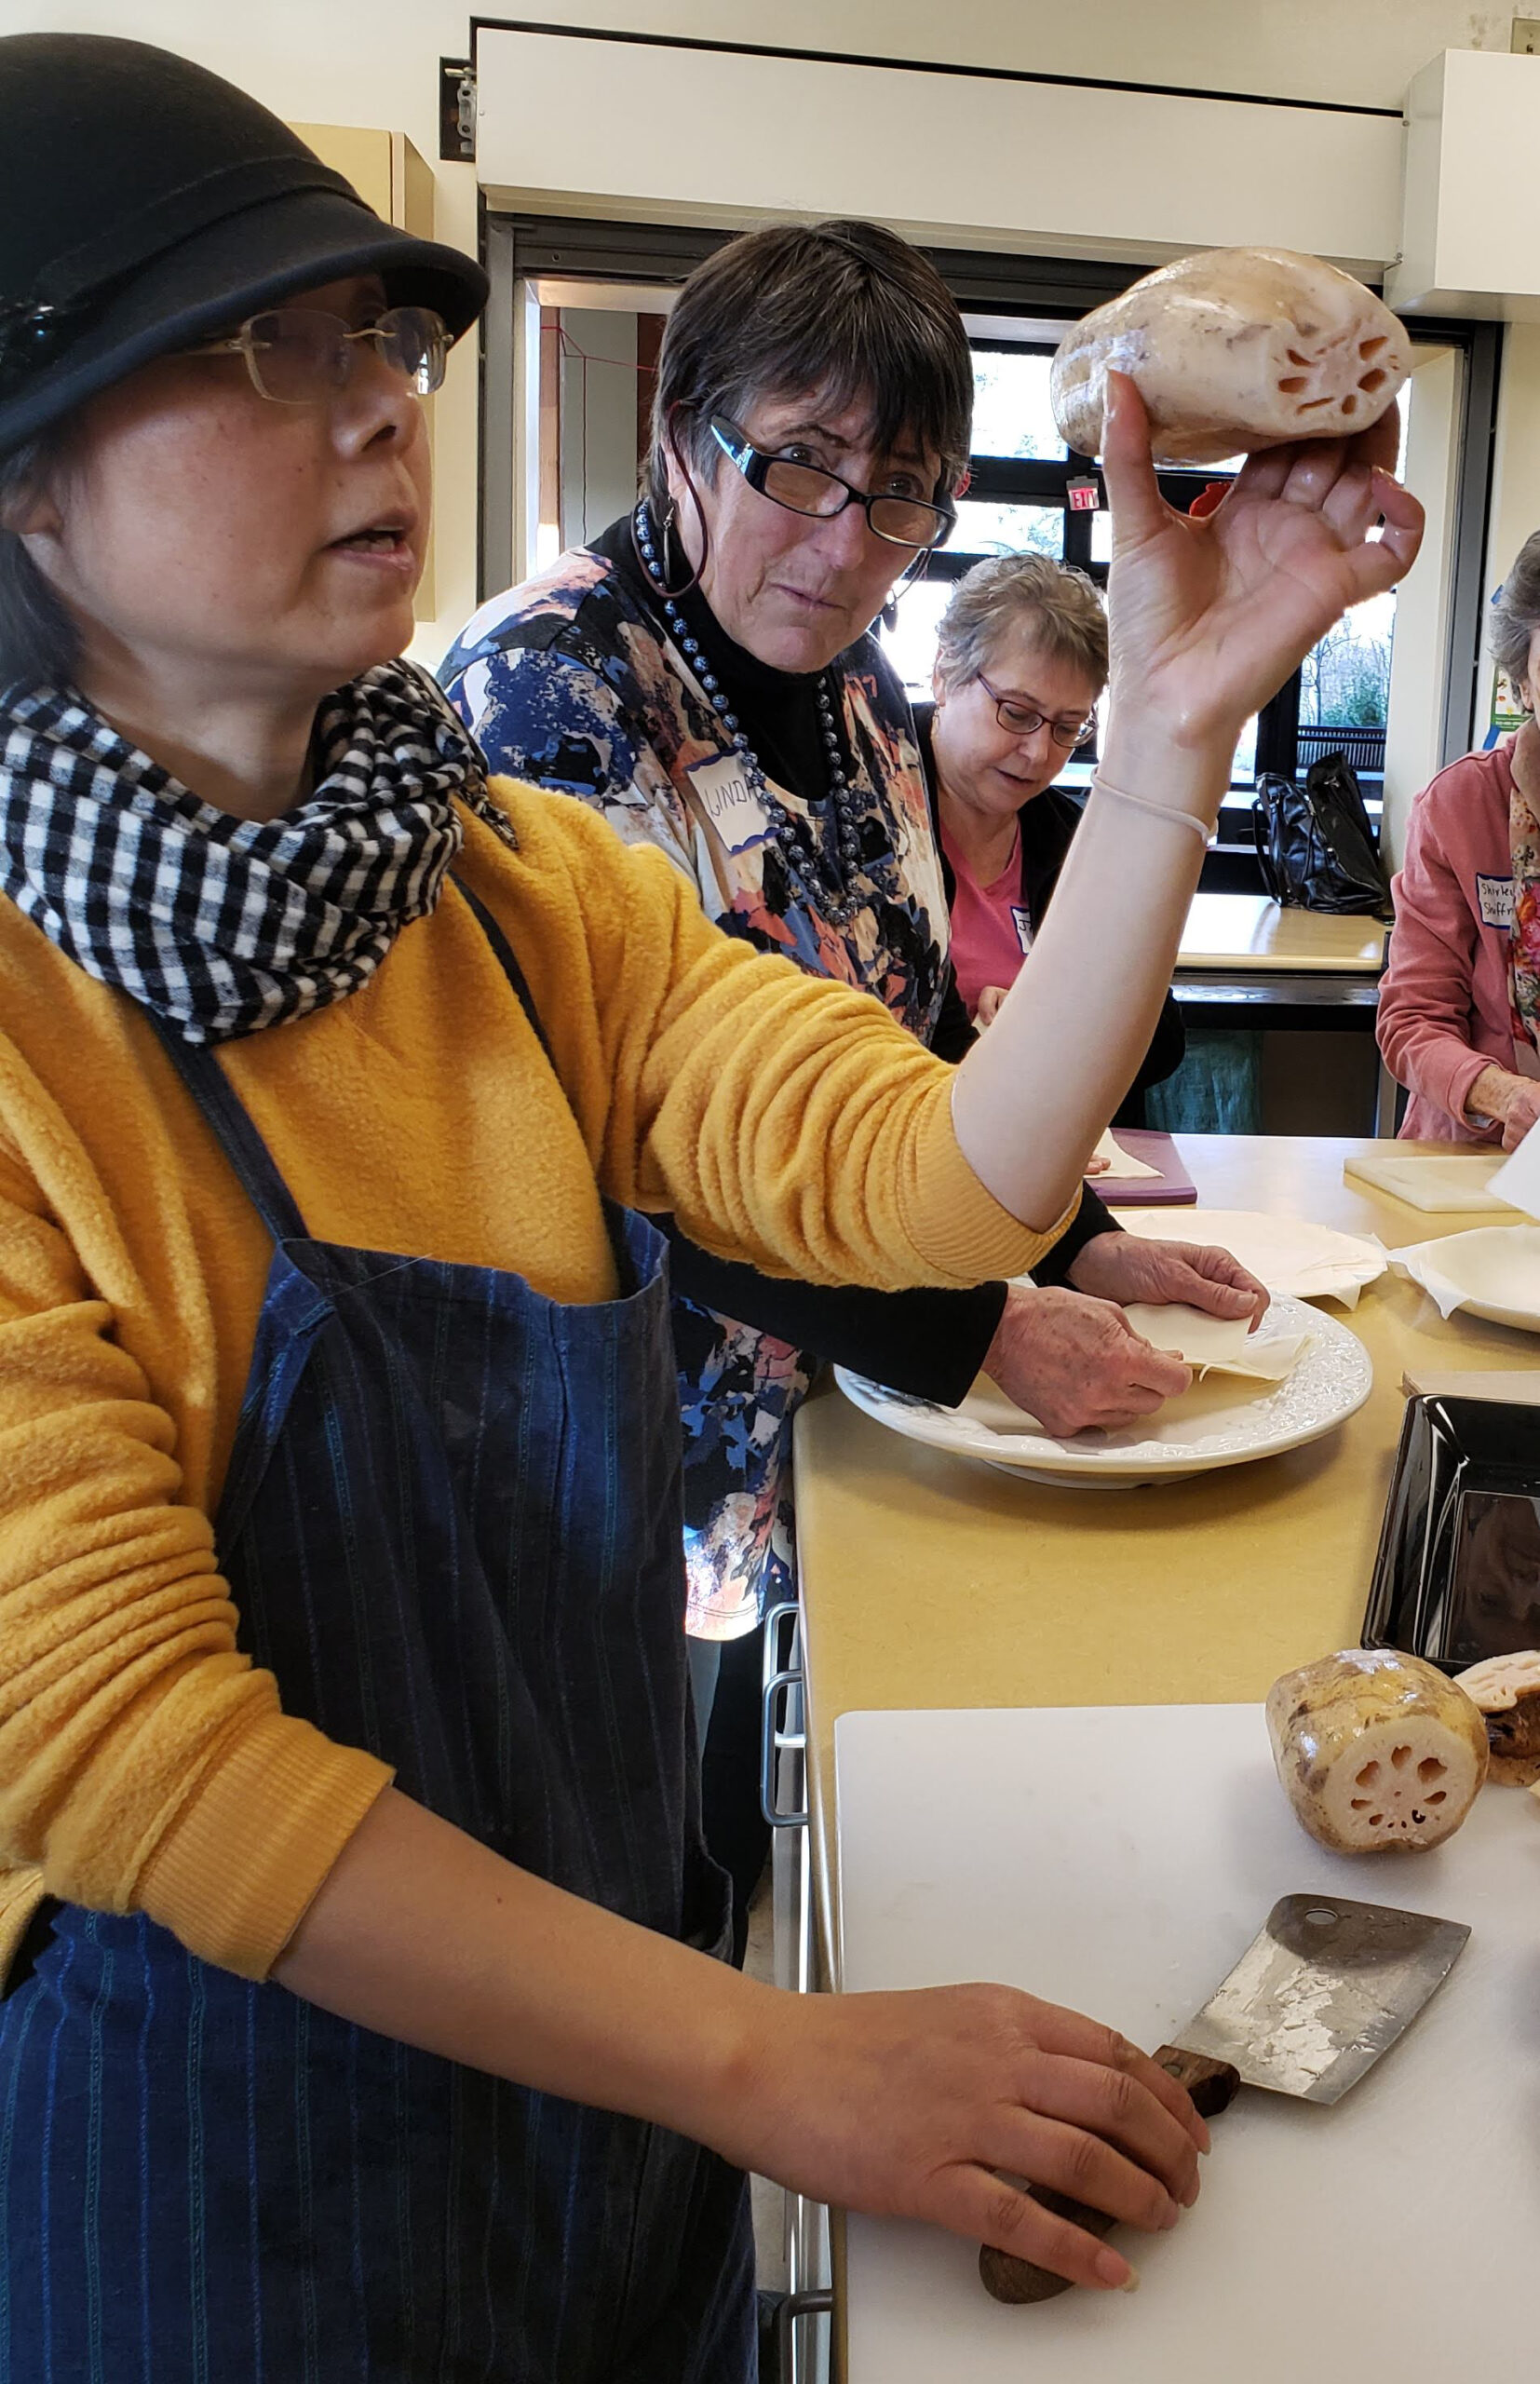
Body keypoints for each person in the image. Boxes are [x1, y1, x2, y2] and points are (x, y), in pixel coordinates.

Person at [0, 36, 1422, 2377]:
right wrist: (779, 2057)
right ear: (26, 482)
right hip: (228, 2192)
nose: (378, 405)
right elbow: (147, 1752)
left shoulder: (509, 893)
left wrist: (1167, 726)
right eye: (272, 347)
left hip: (604, 2082)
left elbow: (934, 1178)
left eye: (388, 338)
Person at [440, 226, 1267, 1921]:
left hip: (825, 1421)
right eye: (797, 466)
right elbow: (619, 1152)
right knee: (617, 1890)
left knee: (757, 1856)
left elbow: (915, 1046)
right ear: (679, 432)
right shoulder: (545, 697)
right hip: (614, 1458)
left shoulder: (868, 701)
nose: (841, 545)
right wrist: (977, 1326)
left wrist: (1066, 1243)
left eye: (896, 494)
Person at [919, 551, 1185, 1123]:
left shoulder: (1076, 839)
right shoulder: (867, 806)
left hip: (1050, 1161)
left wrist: (1044, 1023)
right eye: (1017, 714)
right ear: (944, 673)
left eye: (1069, 728)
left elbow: (1160, 1042)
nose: (1040, 754)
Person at [1379, 529, 1540, 1145]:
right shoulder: (1461, 807)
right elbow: (1412, 1020)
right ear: (1521, 682)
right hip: (1471, 1158)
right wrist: (1504, 1093)